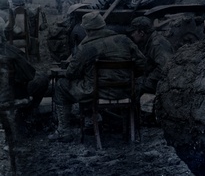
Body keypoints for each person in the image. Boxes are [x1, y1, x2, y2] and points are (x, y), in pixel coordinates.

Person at [48, 11, 146, 141]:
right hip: (125, 92)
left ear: (87, 30)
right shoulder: (124, 40)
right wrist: (128, 77)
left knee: (61, 85)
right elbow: (142, 63)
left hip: (96, 93)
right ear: (103, 25)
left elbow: (71, 73)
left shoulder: (86, 47)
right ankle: (95, 121)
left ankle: (64, 131)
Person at [124, 16, 173, 95]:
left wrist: (146, 82)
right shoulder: (149, 42)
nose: (132, 35)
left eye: (133, 32)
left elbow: (164, 68)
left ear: (141, 33)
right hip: (157, 81)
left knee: (134, 88)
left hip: (163, 83)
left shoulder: (157, 44)